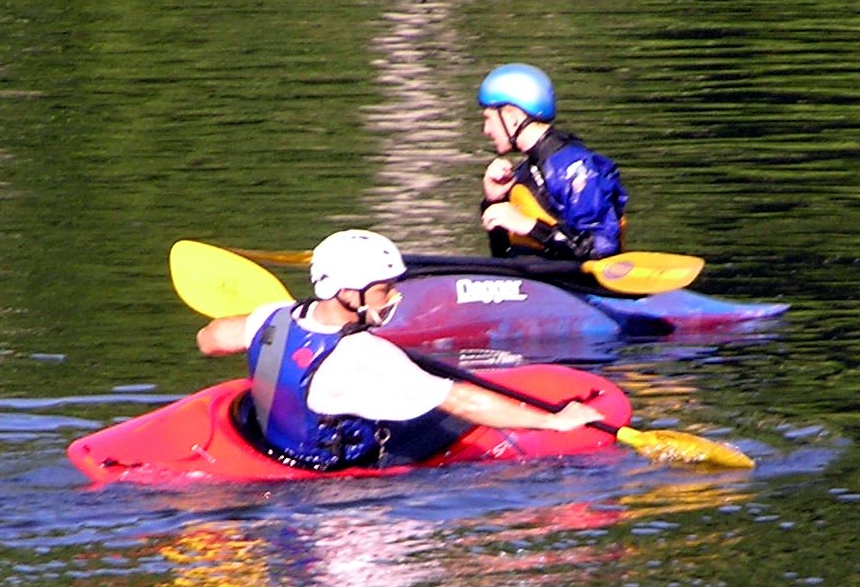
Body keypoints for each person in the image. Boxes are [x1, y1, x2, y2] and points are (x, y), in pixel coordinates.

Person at [195, 228, 607, 471]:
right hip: (333, 469)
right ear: (345, 291)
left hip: (274, 443)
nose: (394, 297)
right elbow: (462, 401)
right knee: (453, 417)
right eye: (383, 289)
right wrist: (554, 422)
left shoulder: (272, 317)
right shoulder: (365, 356)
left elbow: (209, 340)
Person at [475, 63, 628, 262]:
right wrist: (495, 201)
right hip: (532, 278)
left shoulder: (574, 168)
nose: (486, 130)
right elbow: (502, 258)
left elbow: (602, 249)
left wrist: (529, 227)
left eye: (489, 119)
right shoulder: (525, 171)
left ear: (512, 117)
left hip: (575, 281)